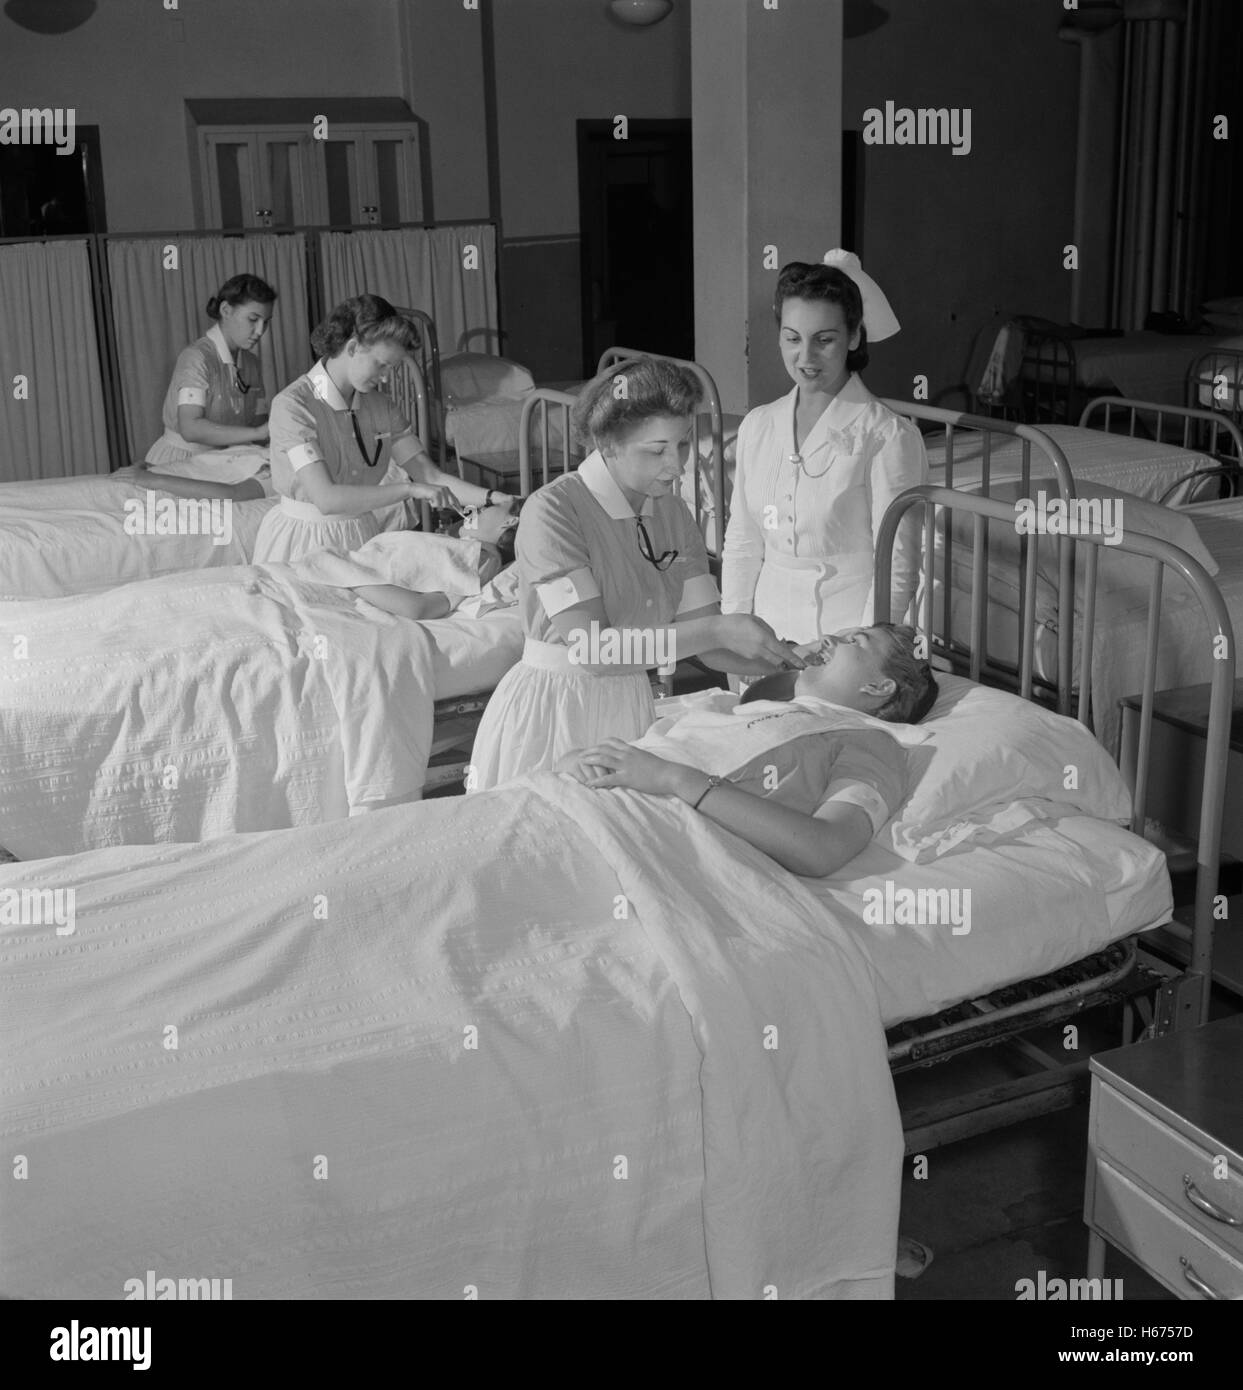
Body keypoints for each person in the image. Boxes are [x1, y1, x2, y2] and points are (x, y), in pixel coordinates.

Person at [467, 358, 805, 791]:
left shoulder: (673, 512)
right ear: (607, 443)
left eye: (682, 445)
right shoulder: (553, 510)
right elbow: (592, 649)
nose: (677, 466)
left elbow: (708, 645)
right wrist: (720, 630)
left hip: (629, 704)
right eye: (657, 450)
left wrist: (791, 657)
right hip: (553, 709)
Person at [559, 623, 938, 878]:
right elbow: (639, 754)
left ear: (878, 688)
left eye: (856, 641)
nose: (828, 640)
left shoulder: (871, 743)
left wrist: (673, 779)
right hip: (575, 802)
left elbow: (824, 848)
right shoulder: (730, 707)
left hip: (636, 838)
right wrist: (578, 761)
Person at [721, 250, 928, 645]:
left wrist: (863, 653)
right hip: (765, 639)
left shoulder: (887, 436)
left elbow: (898, 562)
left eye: (824, 340)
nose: (806, 357)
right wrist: (734, 634)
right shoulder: (758, 426)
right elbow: (744, 541)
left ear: (853, 337)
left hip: (845, 639)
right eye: (792, 338)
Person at [251, 294, 512, 566]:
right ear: (352, 348)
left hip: (360, 534)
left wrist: (492, 497)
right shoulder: (294, 405)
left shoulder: (381, 406)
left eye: (393, 367)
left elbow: (431, 475)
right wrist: (409, 490)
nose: (387, 377)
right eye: (382, 364)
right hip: (304, 542)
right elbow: (326, 498)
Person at [146, 273, 276, 469]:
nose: (259, 331)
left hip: (226, 458)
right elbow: (190, 428)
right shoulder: (197, 358)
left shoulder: (251, 363)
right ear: (226, 310)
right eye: (253, 319)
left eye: (265, 322)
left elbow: (258, 422)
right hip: (182, 459)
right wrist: (258, 433)